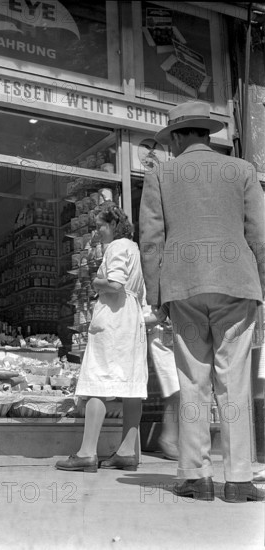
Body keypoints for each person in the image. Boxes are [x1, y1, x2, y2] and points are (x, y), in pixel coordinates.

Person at [139, 101, 265, 502]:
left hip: (185, 285)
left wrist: (157, 296)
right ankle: (240, 480)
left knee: (193, 381)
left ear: (177, 137)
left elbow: (151, 240)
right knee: (234, 384)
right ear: (206, 135)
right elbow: (260, 235)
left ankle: (196, 477)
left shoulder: (161, 174)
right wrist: (259, 287)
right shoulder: (242, 170)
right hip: (235, 283)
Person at [56, 202, 148, 473]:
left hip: (114, 319)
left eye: (100, 227)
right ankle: (127, 452)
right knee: (131, 386)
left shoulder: (117, 247)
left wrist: (97, 282)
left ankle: (87, 453)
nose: (98, 233)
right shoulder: (134, 249)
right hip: (131, 319)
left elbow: (116, 284)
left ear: (113, 225)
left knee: (97, 381)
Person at [143, 303, 180, 460]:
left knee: (182, 387)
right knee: (175, 387)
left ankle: (174, 439)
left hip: (178, 331)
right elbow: (145, 315)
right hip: (160, 333)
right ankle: (169, 439)